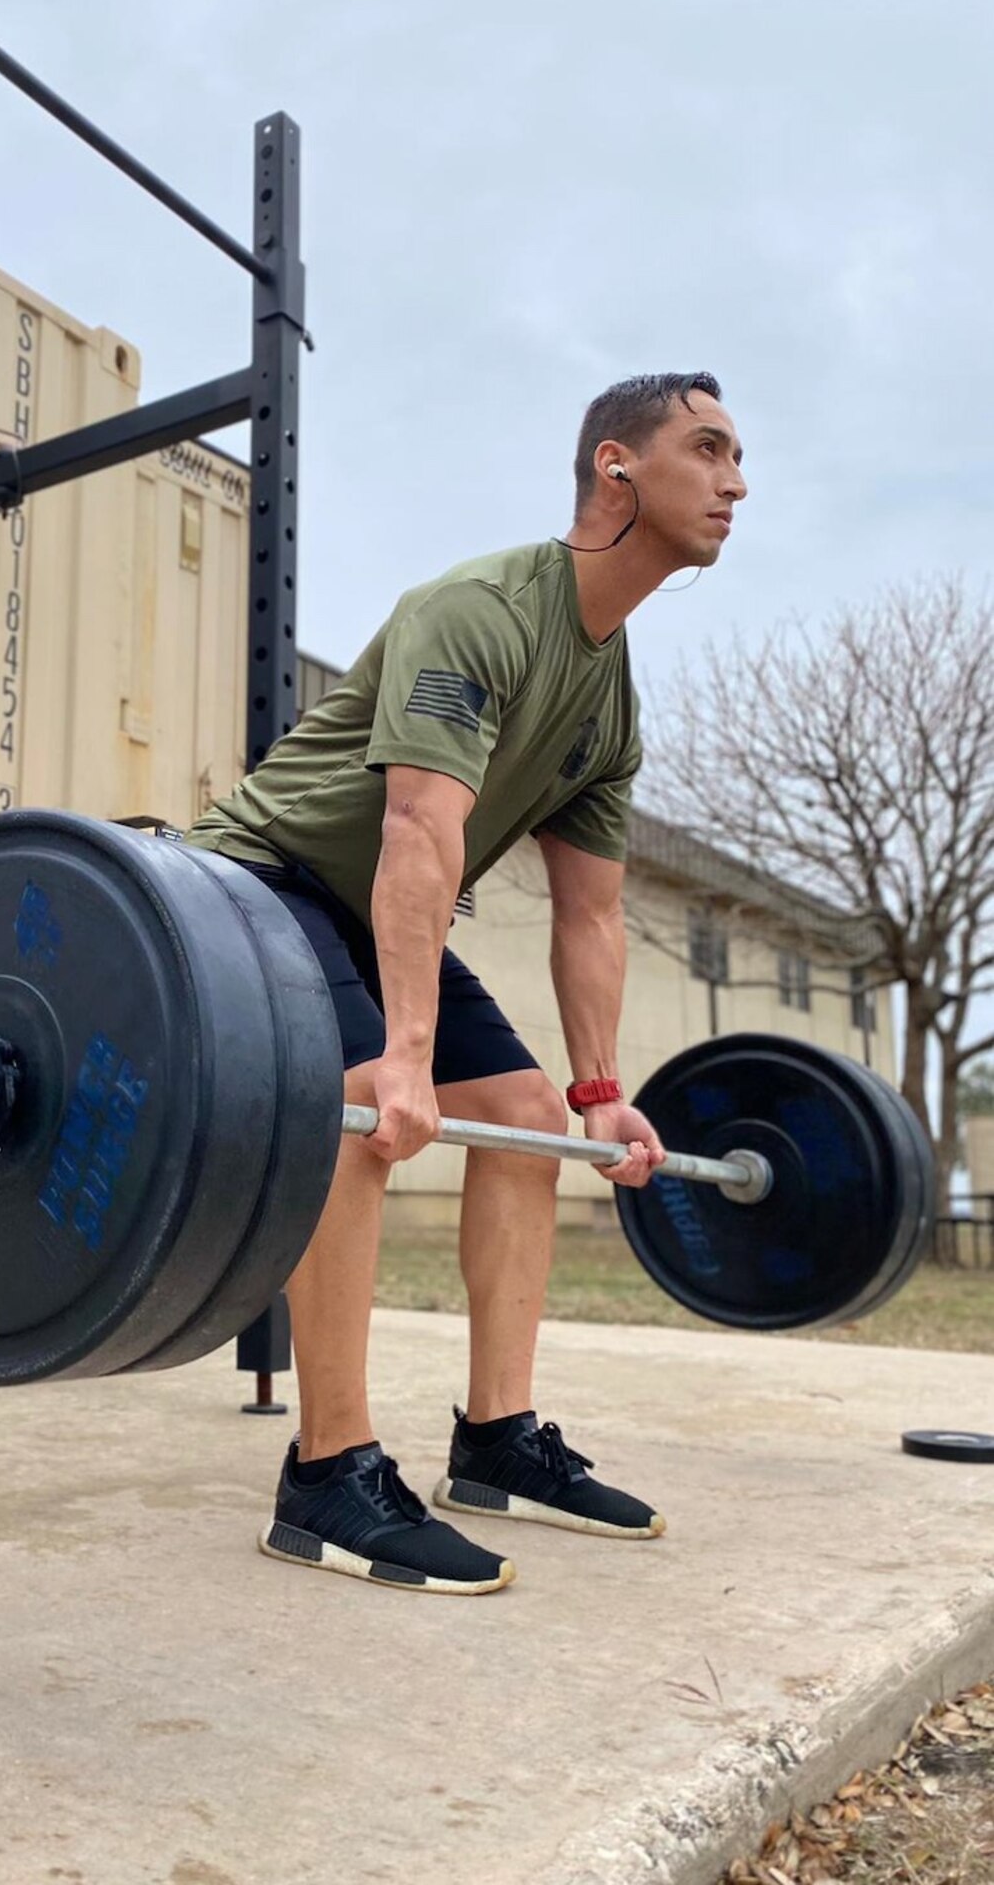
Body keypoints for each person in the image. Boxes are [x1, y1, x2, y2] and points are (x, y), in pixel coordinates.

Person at [185, 372, 747, 1594]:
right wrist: (399, 1047)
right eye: (704, 448)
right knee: (355, 1105)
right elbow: (415, 837)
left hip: (372, 901)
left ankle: (496, 1441)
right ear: (614, 466)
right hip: (258, 878)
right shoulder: (479, 608)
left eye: (734, 458)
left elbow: (590, 912)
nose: (732, 481)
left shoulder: (609, 696)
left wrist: (601, 1089)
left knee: (534, 1124)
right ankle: (327, 1472)